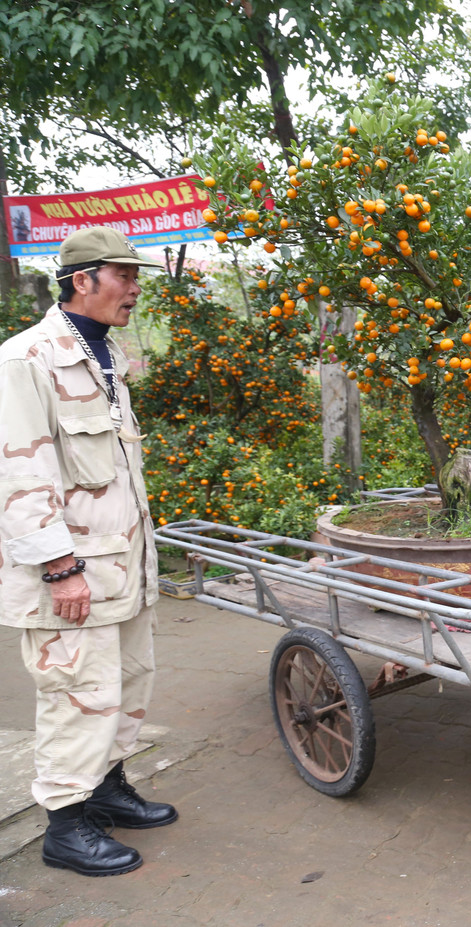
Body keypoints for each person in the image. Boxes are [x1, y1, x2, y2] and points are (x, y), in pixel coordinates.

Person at [0, 226, 176, 876]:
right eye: (124, 276)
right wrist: (59, 567)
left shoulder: (106, 354)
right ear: (83, 280)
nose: (134, 289)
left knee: (127, 680)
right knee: (77, 694)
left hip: (121, 566)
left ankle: (105, 786)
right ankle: (65, 826)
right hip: (71, 577)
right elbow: (19, 474)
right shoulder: (27, 360)